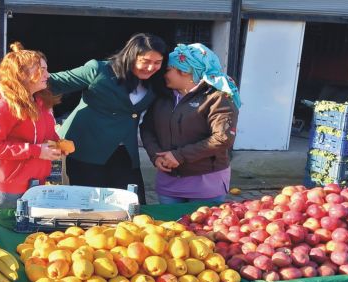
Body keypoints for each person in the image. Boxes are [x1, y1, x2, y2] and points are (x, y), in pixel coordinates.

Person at [48, 33, 168, 204]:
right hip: (87, 148)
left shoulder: (156, 82)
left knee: (133, 204)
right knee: (89, 206)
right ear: (131, 56)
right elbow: (55, 82)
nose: (151, 68)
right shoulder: (98, 70)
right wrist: (16, 83)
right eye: (145, 61)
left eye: (157, 63)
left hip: (125, 150)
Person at [140, 43, 241, 205]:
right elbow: (147, 128)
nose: (161, 74)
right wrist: (155, 155)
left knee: (203, 229)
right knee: (168, 228)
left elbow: (223, 138)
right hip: (168, 181)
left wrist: (179, 156)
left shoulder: (217, 97)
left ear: (185, 71)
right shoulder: (162, 96)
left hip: (205, 183)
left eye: (167, 70)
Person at [0, 42, 63, 210]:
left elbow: (46, 135)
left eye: (46, 69)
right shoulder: (1, 107)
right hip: (4, 189)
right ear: (21, 74)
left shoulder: (40, 102)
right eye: (41, 70)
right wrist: (37, 150)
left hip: (34, 185)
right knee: (2, 234)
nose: (48, 74)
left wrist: (56, 144)